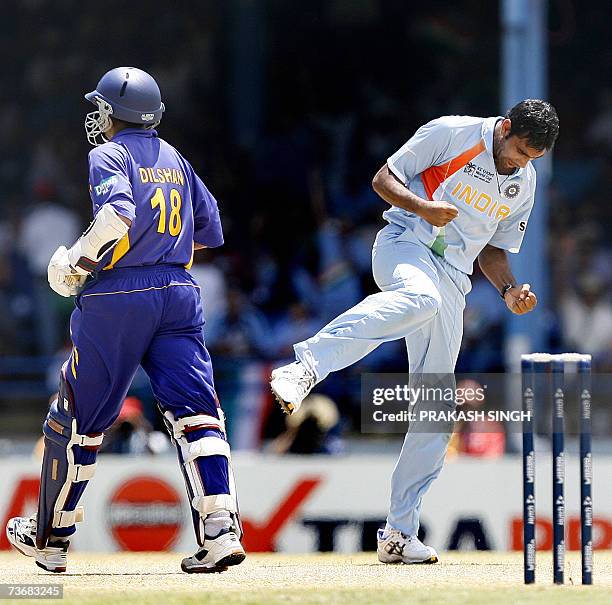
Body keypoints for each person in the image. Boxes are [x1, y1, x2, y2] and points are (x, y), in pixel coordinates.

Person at [271, 99, 559, 564]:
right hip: (405, 243)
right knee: (419, 299)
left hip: (453, 277)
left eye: (533, 159)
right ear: (505, 127)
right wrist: (423, 208)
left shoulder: (523, 183)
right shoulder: (452, 133)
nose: (521, 164)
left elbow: (493, 252)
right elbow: (383, 179)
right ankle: (306, 365)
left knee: (436, 408)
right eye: (520, 151)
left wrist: (509, 292)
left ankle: (399, 534)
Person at [6, 67, 245, 574]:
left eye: (102, 108)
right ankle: (221, 530)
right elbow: (210, 227)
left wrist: (78, 261)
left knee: (77, 420)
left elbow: (117, 215)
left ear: (115, 111)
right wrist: (161, 248)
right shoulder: (175, 158)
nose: (97, 117)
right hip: (179, 291)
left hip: (119, 295)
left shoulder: (107, 153)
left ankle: (51, 541)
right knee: (197, 414)